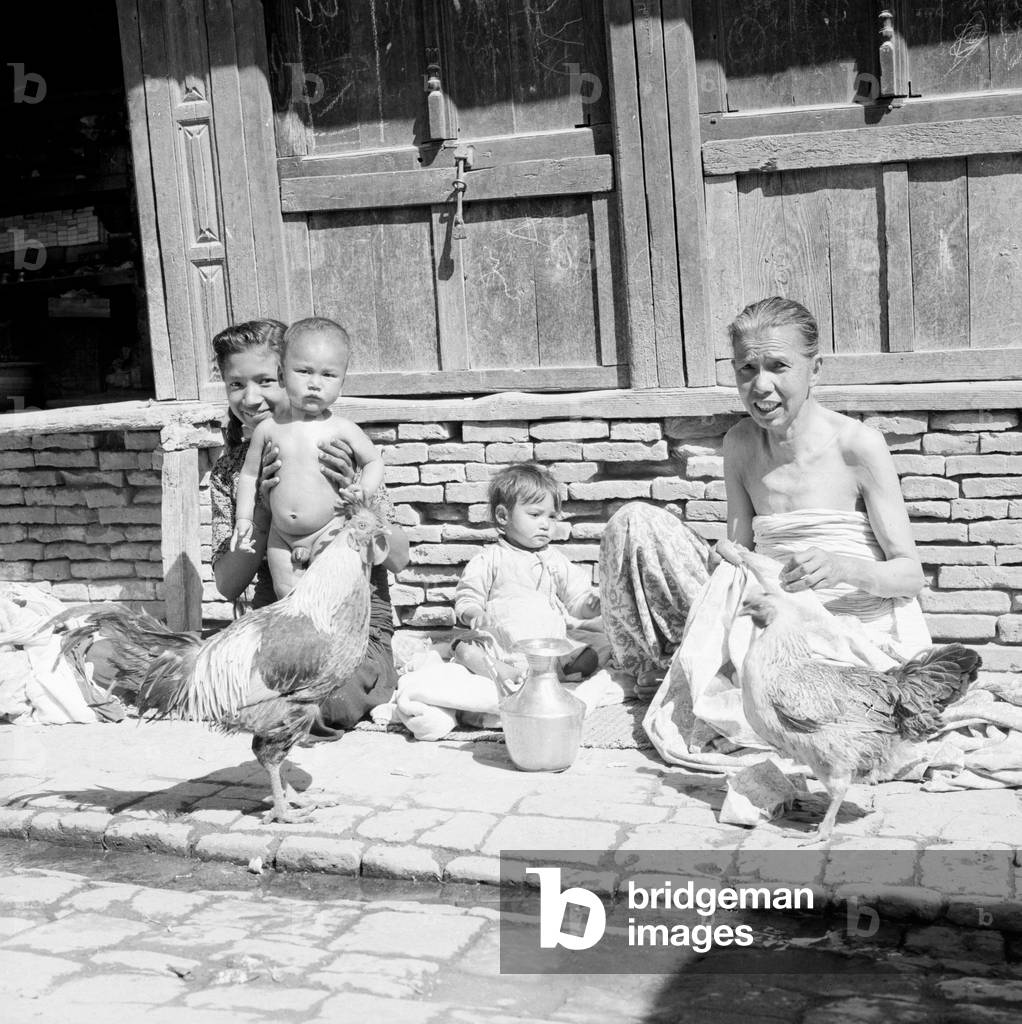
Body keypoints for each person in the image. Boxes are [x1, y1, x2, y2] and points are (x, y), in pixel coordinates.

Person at [599, 296, 926, 703]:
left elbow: (911, 576)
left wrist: (843, 568)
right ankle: (664, 665)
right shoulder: (739, 443)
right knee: (633, 520)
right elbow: (740, 551)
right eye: (747, 369)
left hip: (844, 628)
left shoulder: (858, 446)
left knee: (783, 699)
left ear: (815, 369)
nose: (761, 386)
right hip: (768, 621)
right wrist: (724, 559)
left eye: (779, 367)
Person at [208, 319, 409, 736]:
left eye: (264, 380)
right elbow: (228, 585)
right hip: (279, 619)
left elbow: (400, 559)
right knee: (224, 687)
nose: (250, 397)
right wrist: (261, 513)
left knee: (322, 703)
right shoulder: (232, 469)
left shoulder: (337, 448)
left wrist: (358, 499)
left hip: (353, 625)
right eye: (235, 384)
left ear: (284, 373)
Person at [231, 316, 385, 599]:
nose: (315, 383)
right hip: (281, 534)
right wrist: (244, 520)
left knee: (331, 592)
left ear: (342, 382)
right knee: (286, 593)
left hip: (330, 528)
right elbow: (249, 475)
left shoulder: (342, 429)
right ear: (281, 375)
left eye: (328, 375)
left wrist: (362, 490)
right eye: (303, 371)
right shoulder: (269, 429)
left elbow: (374, 461)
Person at [453, 462, 606, 685]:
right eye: (535, 515)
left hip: (548, 648)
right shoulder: (490, 558)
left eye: (552, 517)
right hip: (502, 646)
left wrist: (588, 606)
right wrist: (475, 614)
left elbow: (576, 598)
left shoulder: (555, 560)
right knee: (463, 649)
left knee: (594, 651)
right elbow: (467, 597)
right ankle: (507, 674)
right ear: (503, 516)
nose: (545, 524)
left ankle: (553, 674)